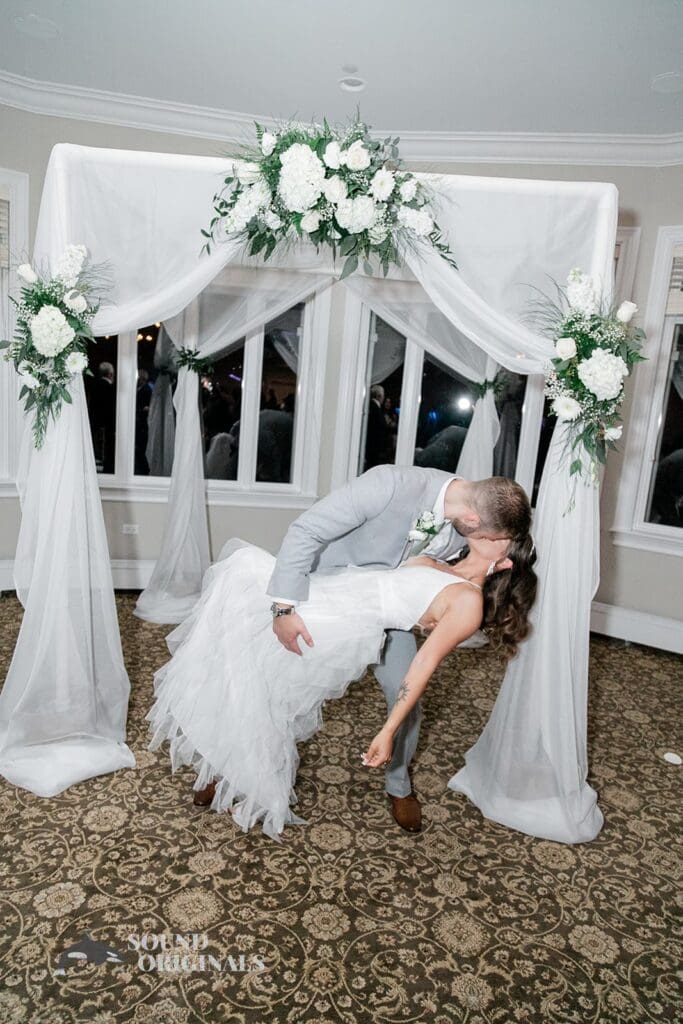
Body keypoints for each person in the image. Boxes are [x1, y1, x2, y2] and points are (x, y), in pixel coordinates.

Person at [146, 466, 536, 840]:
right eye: (495, 535)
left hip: (385, 617)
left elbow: (442, 599)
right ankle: (224, 769)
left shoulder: (471, 533)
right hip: (330, 593)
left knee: (406, 701)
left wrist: (436, 611)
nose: (492, 540)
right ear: (472, 519)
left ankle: (398, 784)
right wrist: (283, 608)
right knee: (259, 678)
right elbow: (307, 530)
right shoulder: (391, 484)